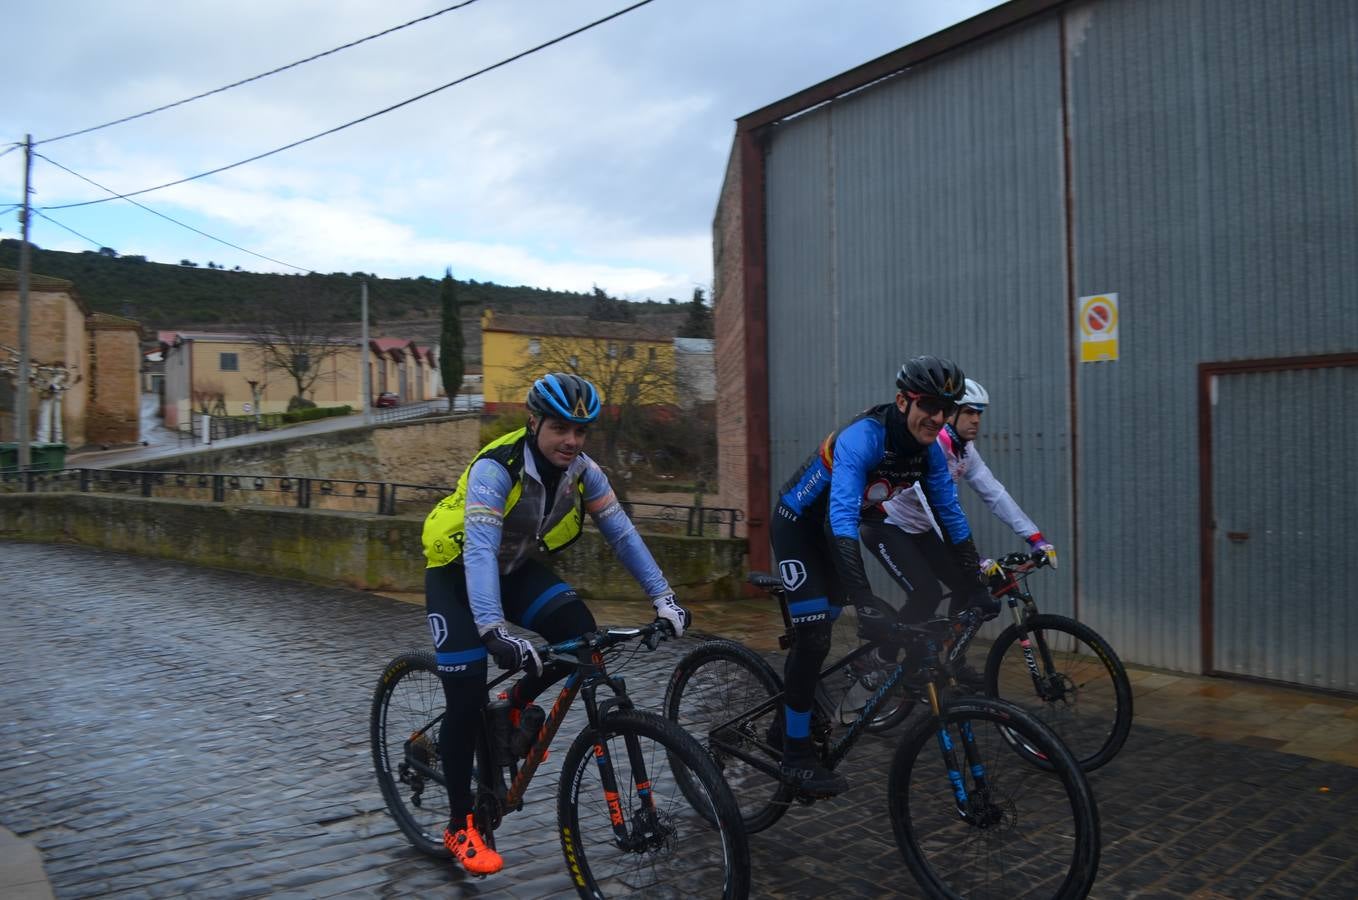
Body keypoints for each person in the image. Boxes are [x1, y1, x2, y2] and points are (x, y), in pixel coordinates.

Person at [420, 372, 691, 875]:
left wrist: (664, 598)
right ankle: (460, 825)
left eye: (581, 431)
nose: (571, 441)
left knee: (582, 638)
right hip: (458, 575)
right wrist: (492, 629)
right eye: (561, 429)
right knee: (465, 694)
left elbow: (623, 535)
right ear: (534, 422)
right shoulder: (495, 469)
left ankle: (516, 703)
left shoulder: (585, 471)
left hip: (515, 568)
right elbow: (479, 551)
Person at [769, 356, 992, 796]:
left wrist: (973, 585)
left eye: (946, 408)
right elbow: (843, 517)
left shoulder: (928, 453)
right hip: (799, 525)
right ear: (903, 401)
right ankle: (793, 753)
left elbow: (950, 516)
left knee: (822, 627)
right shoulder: (863, 439)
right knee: (814, 635)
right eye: (929, 404)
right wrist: (866, 599)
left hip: (836, 531)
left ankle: (788, 716)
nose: (938, 417)